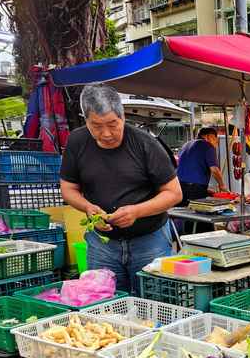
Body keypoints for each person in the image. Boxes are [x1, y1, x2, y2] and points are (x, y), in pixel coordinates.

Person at [60, 84, 182, 294]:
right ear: (85, 120)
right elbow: (69, 188)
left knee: (154, 302)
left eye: (112, 124)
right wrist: (87, 207)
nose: (106, 133)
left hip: (149, 240)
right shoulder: (77, 141)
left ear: (123, 116)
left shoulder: (145, 143)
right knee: (105, 305)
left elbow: (174, 193)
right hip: (102, 245)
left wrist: (136, 211)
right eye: (96, 126)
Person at [176, 127, 227, 206]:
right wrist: (222, 185)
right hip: (194, 188)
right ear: (208, 136)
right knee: (196, 214)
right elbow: (214, 170)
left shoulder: (186, 145)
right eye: (215, 139)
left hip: (179, 186)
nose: (216, 143)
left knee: (182, 212)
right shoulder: (207, 146)